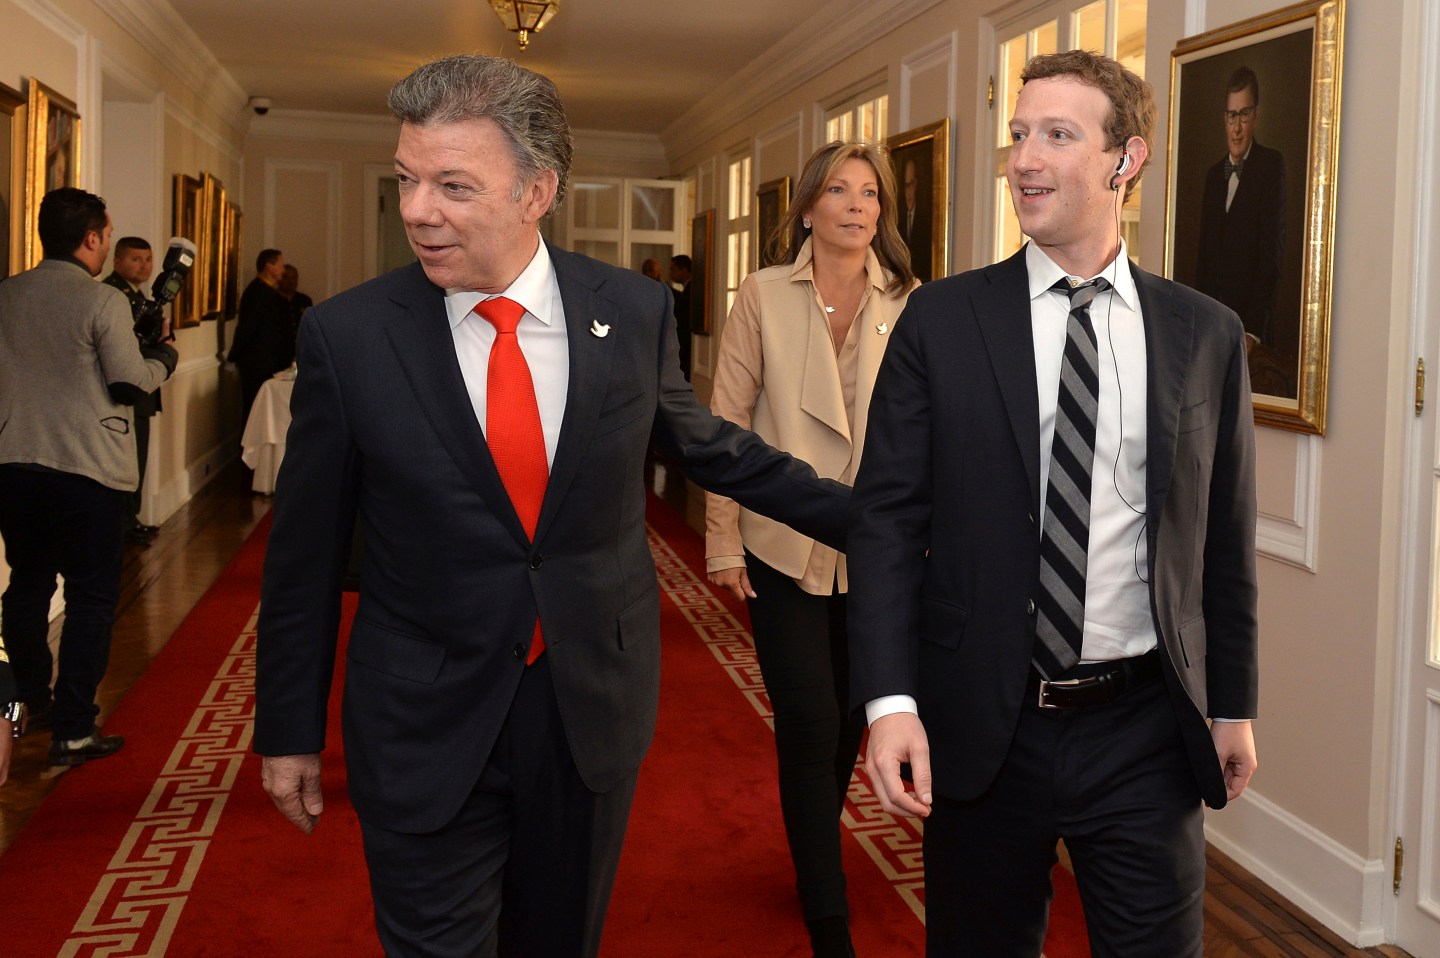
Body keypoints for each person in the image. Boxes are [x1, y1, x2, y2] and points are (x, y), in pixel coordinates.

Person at [253, 53, 848, 958]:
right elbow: (301, 554)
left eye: (453, 184)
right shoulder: (349, 335)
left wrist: (878, 521)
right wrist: (288, 729)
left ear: (538, 190)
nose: (417, 209)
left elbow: (713, 449)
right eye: (410, 179)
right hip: (422, 718)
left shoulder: (634, 311)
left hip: (587, 713)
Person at [849, 50, 1258, 957]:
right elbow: (885, 523)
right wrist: (889, 704)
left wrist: (1231, 703)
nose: (1025, 159)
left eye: (1057, 136)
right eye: (1019, 135)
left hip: (1147, 730)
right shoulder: (944, 321)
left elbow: (1219, 542)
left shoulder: (1203, 334)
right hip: (985, 725)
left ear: (1127, 159)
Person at [705, 140, 915, 958]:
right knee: (808, 718)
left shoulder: (910, 300)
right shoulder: (762, 294)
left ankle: (810, 848)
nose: (858, 205)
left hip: (877, 553)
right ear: (808, 207)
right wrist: (722, 542)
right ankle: (826, 909)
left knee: (847, 731)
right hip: (782, 541)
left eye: (871, 193)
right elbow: (724, 427)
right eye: (840, 190)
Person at [0, 187, 178, 766]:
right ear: (95, 238)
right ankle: (74, 730)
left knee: (27, 584)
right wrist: (166, 357)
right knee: (91, 598)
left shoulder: (7, 293)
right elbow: (129, 383)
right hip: (85, 469)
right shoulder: (101, 302)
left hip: (15, 463)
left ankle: (31, 701)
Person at [1196, 65, 1285, 352]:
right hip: (1210, 328)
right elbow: (1205, 258)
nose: (1236, 128)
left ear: (1255, 115)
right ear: (1225, 118)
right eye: (1232, 116)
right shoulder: (1213, 175)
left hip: (1249, 333)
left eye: (1243, 115)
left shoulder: (1270, 166)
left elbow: (1270, 256)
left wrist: (1252, 331)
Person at [102, 236, 163, 545]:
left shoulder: (141, 296)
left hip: (142, 390)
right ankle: (123, 523)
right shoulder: (113, 294)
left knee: (138, 458)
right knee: (127, 460)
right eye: (136, 259)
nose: (144, 265)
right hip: (127, 389)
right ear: (117, 261)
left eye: (148, 259)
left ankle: (131, 519)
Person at [227, 248, 292, 426]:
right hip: (256, 365)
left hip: (266, 363)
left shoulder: (268, 292)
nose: (283, 270)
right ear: (268, 266)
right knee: (253, 410)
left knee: (262, 412)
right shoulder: (256, 293)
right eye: (280, 265)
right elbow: (247, 328)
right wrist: (233, 356)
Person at [898, 157, 932, 282]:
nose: (909, 192)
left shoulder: (925, 221)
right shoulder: (898, 221)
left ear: (916, 184)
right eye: (906, 186)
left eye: (911, 184)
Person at [277, 262, 314, 348]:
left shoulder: (304, 301)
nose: (291, 282)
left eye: (294, 278)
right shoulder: (272, 300)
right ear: (280, 279)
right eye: (286, 277)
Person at [669, 254, 694, 380]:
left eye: (673, 269)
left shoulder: (692, 289)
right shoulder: (688, 289)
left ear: (683, 269)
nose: (670, 273)